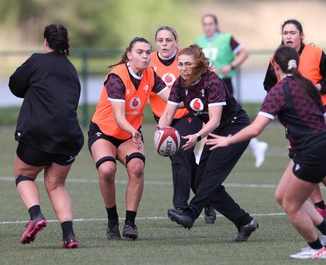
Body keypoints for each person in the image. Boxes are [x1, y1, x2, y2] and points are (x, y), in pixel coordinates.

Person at [207, 46, 326, 259]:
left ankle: (317, 248)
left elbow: (255, 129)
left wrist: (228, 140)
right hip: (321, 148)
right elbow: (324, 118)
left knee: (291, 203)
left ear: (275, 66)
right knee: (282, 196)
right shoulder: (307, 84)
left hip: (312, 154)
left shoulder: (279, 91)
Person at [158, 44, 258, 242]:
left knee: (210, 177)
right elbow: (168, 113)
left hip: (234, 128)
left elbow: (214, 120)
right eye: (180, 64)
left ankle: (191, 214)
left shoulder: (212, 82)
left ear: (198, 64)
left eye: (188, 64)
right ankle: (244, 221)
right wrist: (162, 131)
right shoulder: (179, 84)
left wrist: (196, 136)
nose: (183, 68)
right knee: (200, 182)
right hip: (215, 131)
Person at [8, 24, 84, 248]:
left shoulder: (37, 61)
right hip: (70, 136)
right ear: (66, 44)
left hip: (39, 133)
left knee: (23, 175)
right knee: (56, 184)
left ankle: (36, 216)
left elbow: (14, 84)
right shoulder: (71, 69)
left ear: (46, 42)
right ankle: (69, 235)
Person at [88, 37, 169, 240]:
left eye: (147, 52)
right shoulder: (116, 77)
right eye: (139, 52)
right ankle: (112, 221)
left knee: (137, 168)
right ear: (129, 55)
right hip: (103, 132)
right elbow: (118, 116)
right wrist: (134, 131)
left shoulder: (150, 74)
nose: (144, 56)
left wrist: (194, 100)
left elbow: (172, 98)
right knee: (107, 169)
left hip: (128, 134)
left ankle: (130, 223)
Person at [263, 19, 326, 219]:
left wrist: (315, 88)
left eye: (292, 32)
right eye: (285, 33)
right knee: (299, 158)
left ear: (301, 35)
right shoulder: (277, 58)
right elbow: (269, 85)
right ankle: (320, 204)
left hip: (319, 109)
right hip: (293, 115)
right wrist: (282, 99)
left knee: (311, 155)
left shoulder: (316, 53)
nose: (288, 36)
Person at [149, 26, 216, 224]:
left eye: (168, 40)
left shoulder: (186, 57)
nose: (164, 44)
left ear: (176, 42)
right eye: (160, 40)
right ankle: (208, 199)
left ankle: (181, 206)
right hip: (165, 118)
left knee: (178, 152)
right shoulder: (148, 62)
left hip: (190, 115)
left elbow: (209, 71)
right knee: (185, 161)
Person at [195, 13, 268, 168]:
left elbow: (244, 53)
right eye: (205, 24)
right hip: (206, 85)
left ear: (216, 24)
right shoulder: (199, 42)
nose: (208, 27)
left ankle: (199, 157)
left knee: (221, 118)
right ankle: (256, 145)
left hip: (223, 83)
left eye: (210, 24)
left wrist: (232, 65)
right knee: (218, 119)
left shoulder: (226, 38)